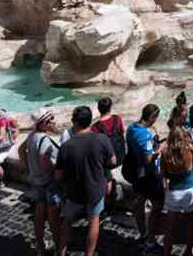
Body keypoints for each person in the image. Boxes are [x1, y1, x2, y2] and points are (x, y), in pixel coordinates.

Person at [55, 106, 116, 256]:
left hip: (73, 192)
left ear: (74, 122)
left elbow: (58, 176)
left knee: (67, 221)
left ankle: (61, 253)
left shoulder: (66, 146)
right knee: (94, 221)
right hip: (95, 190)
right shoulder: (102, 139)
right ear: (90, 121)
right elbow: (113, 161)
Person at [18, 110, 61, 256]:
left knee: (39, 213)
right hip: (49, 182)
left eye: (51, 119)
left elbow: (20, 150)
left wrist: (28, 168)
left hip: (36, 181)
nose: (51, 122)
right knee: (53, 216)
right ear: (40, 123)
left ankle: (40, 246)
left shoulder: (31, 136)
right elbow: (44, 162)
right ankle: (59, 248)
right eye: (48, 121)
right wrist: (56, 171)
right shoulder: (44, 140)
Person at [125, 104, 165, 254]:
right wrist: (159, 149)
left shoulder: (131, 128)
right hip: (148, 176)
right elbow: (149, 159)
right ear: (152, 117)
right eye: (156, 118)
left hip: (136, 172)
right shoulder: (144, 134)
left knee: (140, 201)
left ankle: (143, 233)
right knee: (158, 204)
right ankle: (150, 240)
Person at [160, 125, 193, 256]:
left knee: (170, 226)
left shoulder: (165, 153)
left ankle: (167, 251)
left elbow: (164, 174)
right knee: (190, 223)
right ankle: (189, 250)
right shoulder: (190, 149)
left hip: (174, 192)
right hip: (190, 190)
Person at [90, 96, 125, 207]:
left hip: (107, 162)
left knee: (105, 175)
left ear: (98, 108)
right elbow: (121, 132)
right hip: (121, 156)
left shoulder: (94, 127)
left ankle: (106, 204)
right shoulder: (117, 119)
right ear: (110, 107)